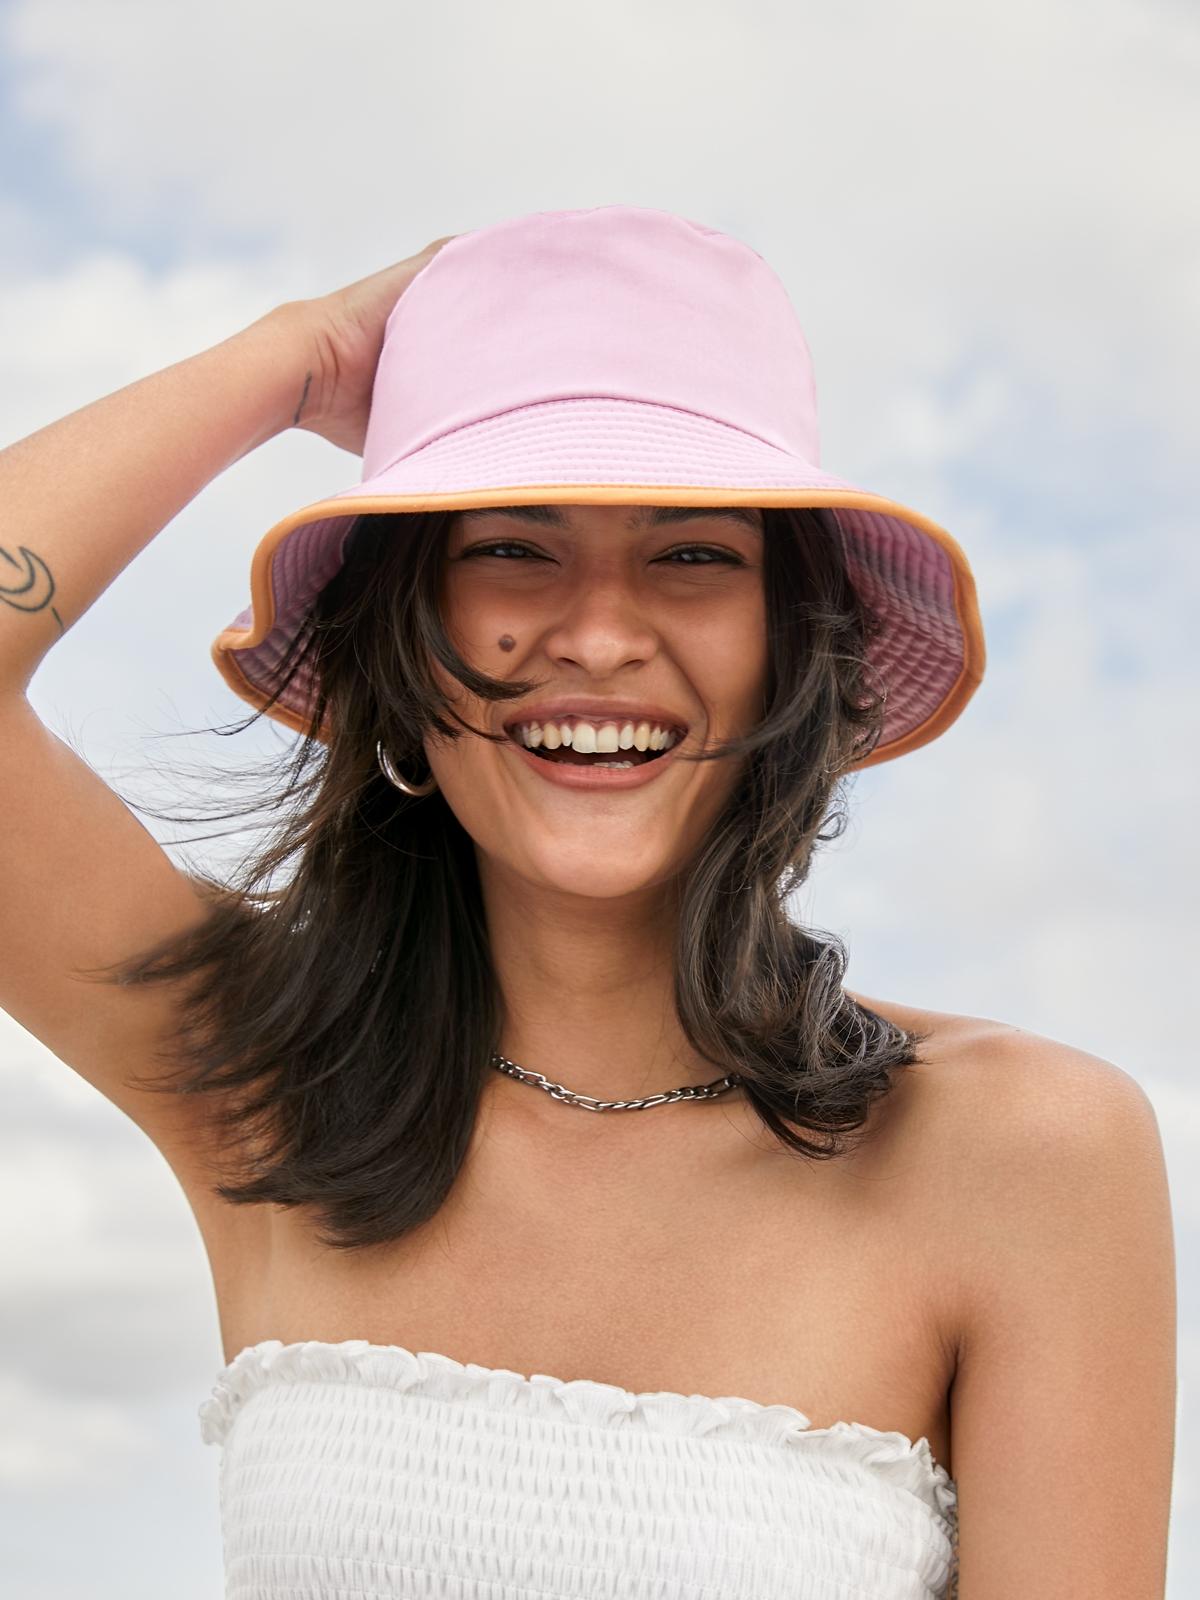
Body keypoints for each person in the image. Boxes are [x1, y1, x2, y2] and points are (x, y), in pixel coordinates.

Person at [0, 207, 1175, 1598]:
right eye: (510, 546)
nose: (603, 635)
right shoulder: (271, 1087)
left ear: (789, 651)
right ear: (403, 644)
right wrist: (295, 358)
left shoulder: (1024, 1151)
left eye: (692, 556)